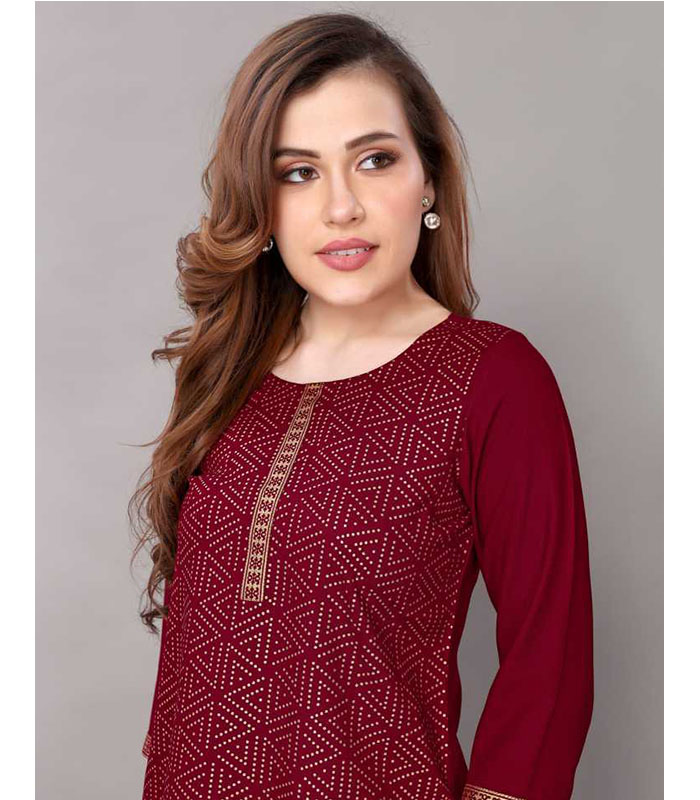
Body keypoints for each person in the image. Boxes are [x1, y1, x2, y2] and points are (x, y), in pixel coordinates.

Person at [131, 12, 594, 800]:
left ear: (430, 179)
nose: (340, 207)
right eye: (298, 172)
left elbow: (550, 658)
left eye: (374, 160)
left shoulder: (493, 379)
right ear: (262, 203)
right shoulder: (224, 370)